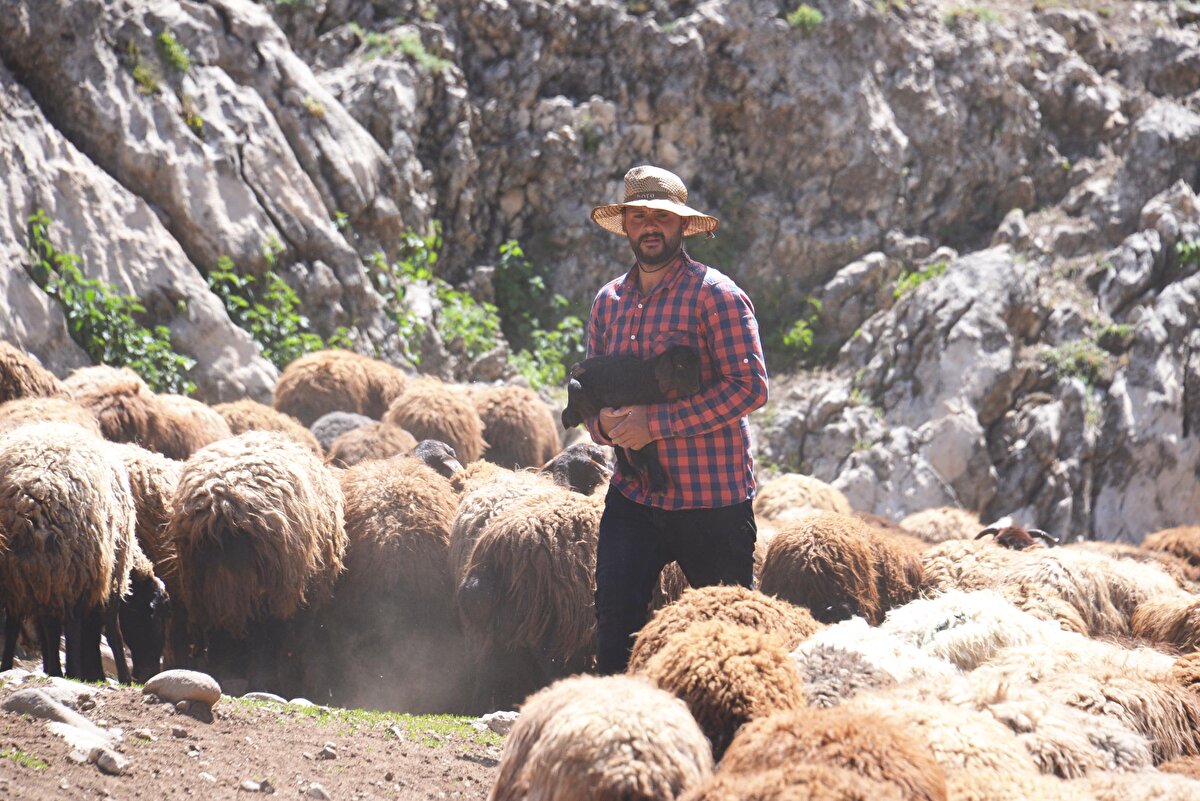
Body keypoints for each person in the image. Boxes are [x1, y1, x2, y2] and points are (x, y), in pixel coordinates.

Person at [582, 164, 769, 674]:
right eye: (639, 216)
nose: (649, 226)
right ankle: (617, 737)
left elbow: (751, 387)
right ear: (626, 225)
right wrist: (602, 426)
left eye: (661, 217)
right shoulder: (608, 303)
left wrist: (654, 425)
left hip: (712, 501)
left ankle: (731, 744)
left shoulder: (717, 296)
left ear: (682, 225)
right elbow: (593, 391)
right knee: (615, 619)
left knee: (729, 636)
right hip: (634, 495)